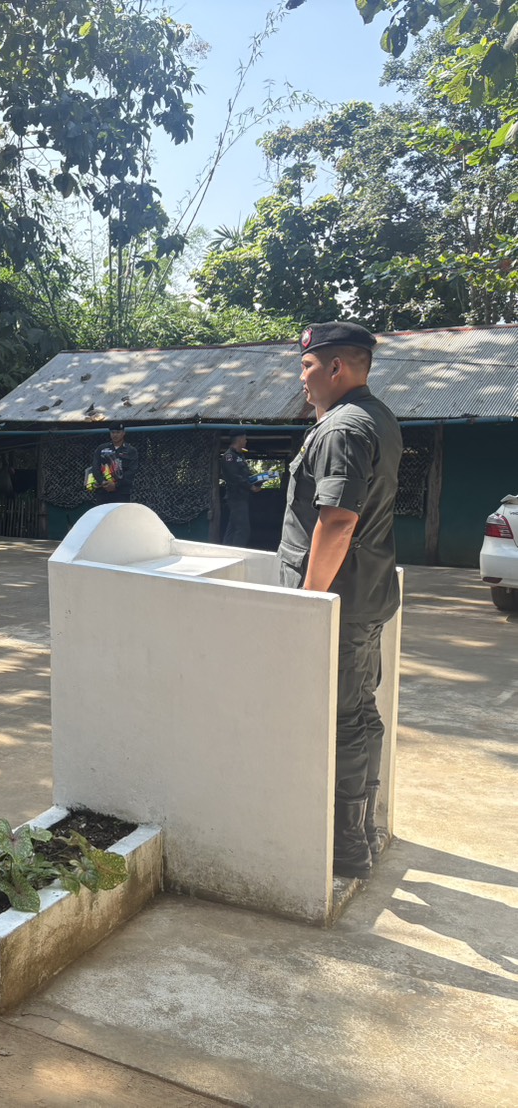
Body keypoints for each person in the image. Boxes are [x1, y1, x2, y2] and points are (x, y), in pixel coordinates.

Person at [277, 321, 402, 880]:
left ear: (335, 367)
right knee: (360, 712)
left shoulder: (343, 429)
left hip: (340, 600)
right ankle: (363, 829)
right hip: (365, 594)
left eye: (307, 366)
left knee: (345, 719)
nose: (301, 377)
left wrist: (310, 604)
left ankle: (349, 843)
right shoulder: (378, 418)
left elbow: (338, 521)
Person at [221, 432, 256, 547]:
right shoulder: (229, 456)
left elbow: (245, 475)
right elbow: (234, 477)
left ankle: (226, 550)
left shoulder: (240, 455)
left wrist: (256, 481)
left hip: (242, 497)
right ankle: (238, 553)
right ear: (239, 439)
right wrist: (250, 486)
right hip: (235, 497)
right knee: (243, 529)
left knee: (233, 528)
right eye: (245, 439)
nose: (246, 441)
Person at [90, 422, 138, 503]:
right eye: (113, 432)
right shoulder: (101, 448)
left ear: (123, 433)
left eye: (118, 432)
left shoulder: (131, 450)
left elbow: (132, 471)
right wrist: (102, 482)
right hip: (103, 491)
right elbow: (95, 467)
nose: (115, 435)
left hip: (122, 491)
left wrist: (116, 484)